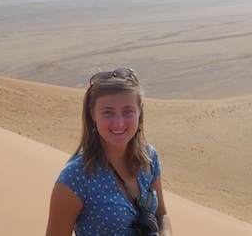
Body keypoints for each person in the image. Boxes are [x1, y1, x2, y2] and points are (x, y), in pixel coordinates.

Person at [45, 68, 172, 236]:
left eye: (128, 111)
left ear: (139, 111)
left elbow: (161, 215)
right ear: (93, 114)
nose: (118, 123)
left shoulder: (148, 157)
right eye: (108, 112)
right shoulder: (76, 177)